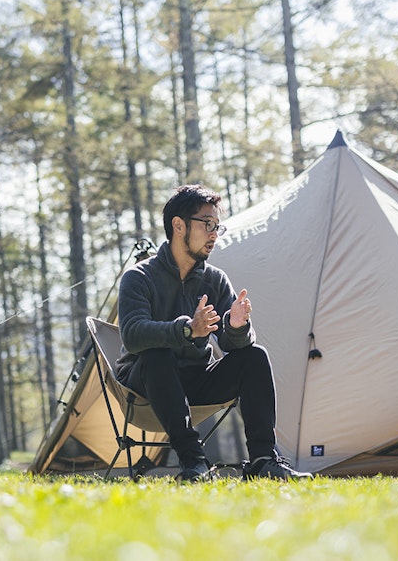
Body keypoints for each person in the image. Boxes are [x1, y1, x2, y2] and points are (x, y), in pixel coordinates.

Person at [116, 184, 311, 482]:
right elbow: (132, 334)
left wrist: (237, 327)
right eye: (207, 224)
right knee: (157, 354)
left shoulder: (215, 280)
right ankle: (194, 462)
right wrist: (186, 328)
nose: (214, 234)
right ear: (178, 226)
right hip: (145, 385)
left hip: (195, 381)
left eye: (217, 226)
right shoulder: (139, 277)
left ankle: (263, 460)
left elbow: (236, 346)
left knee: (254, 356)